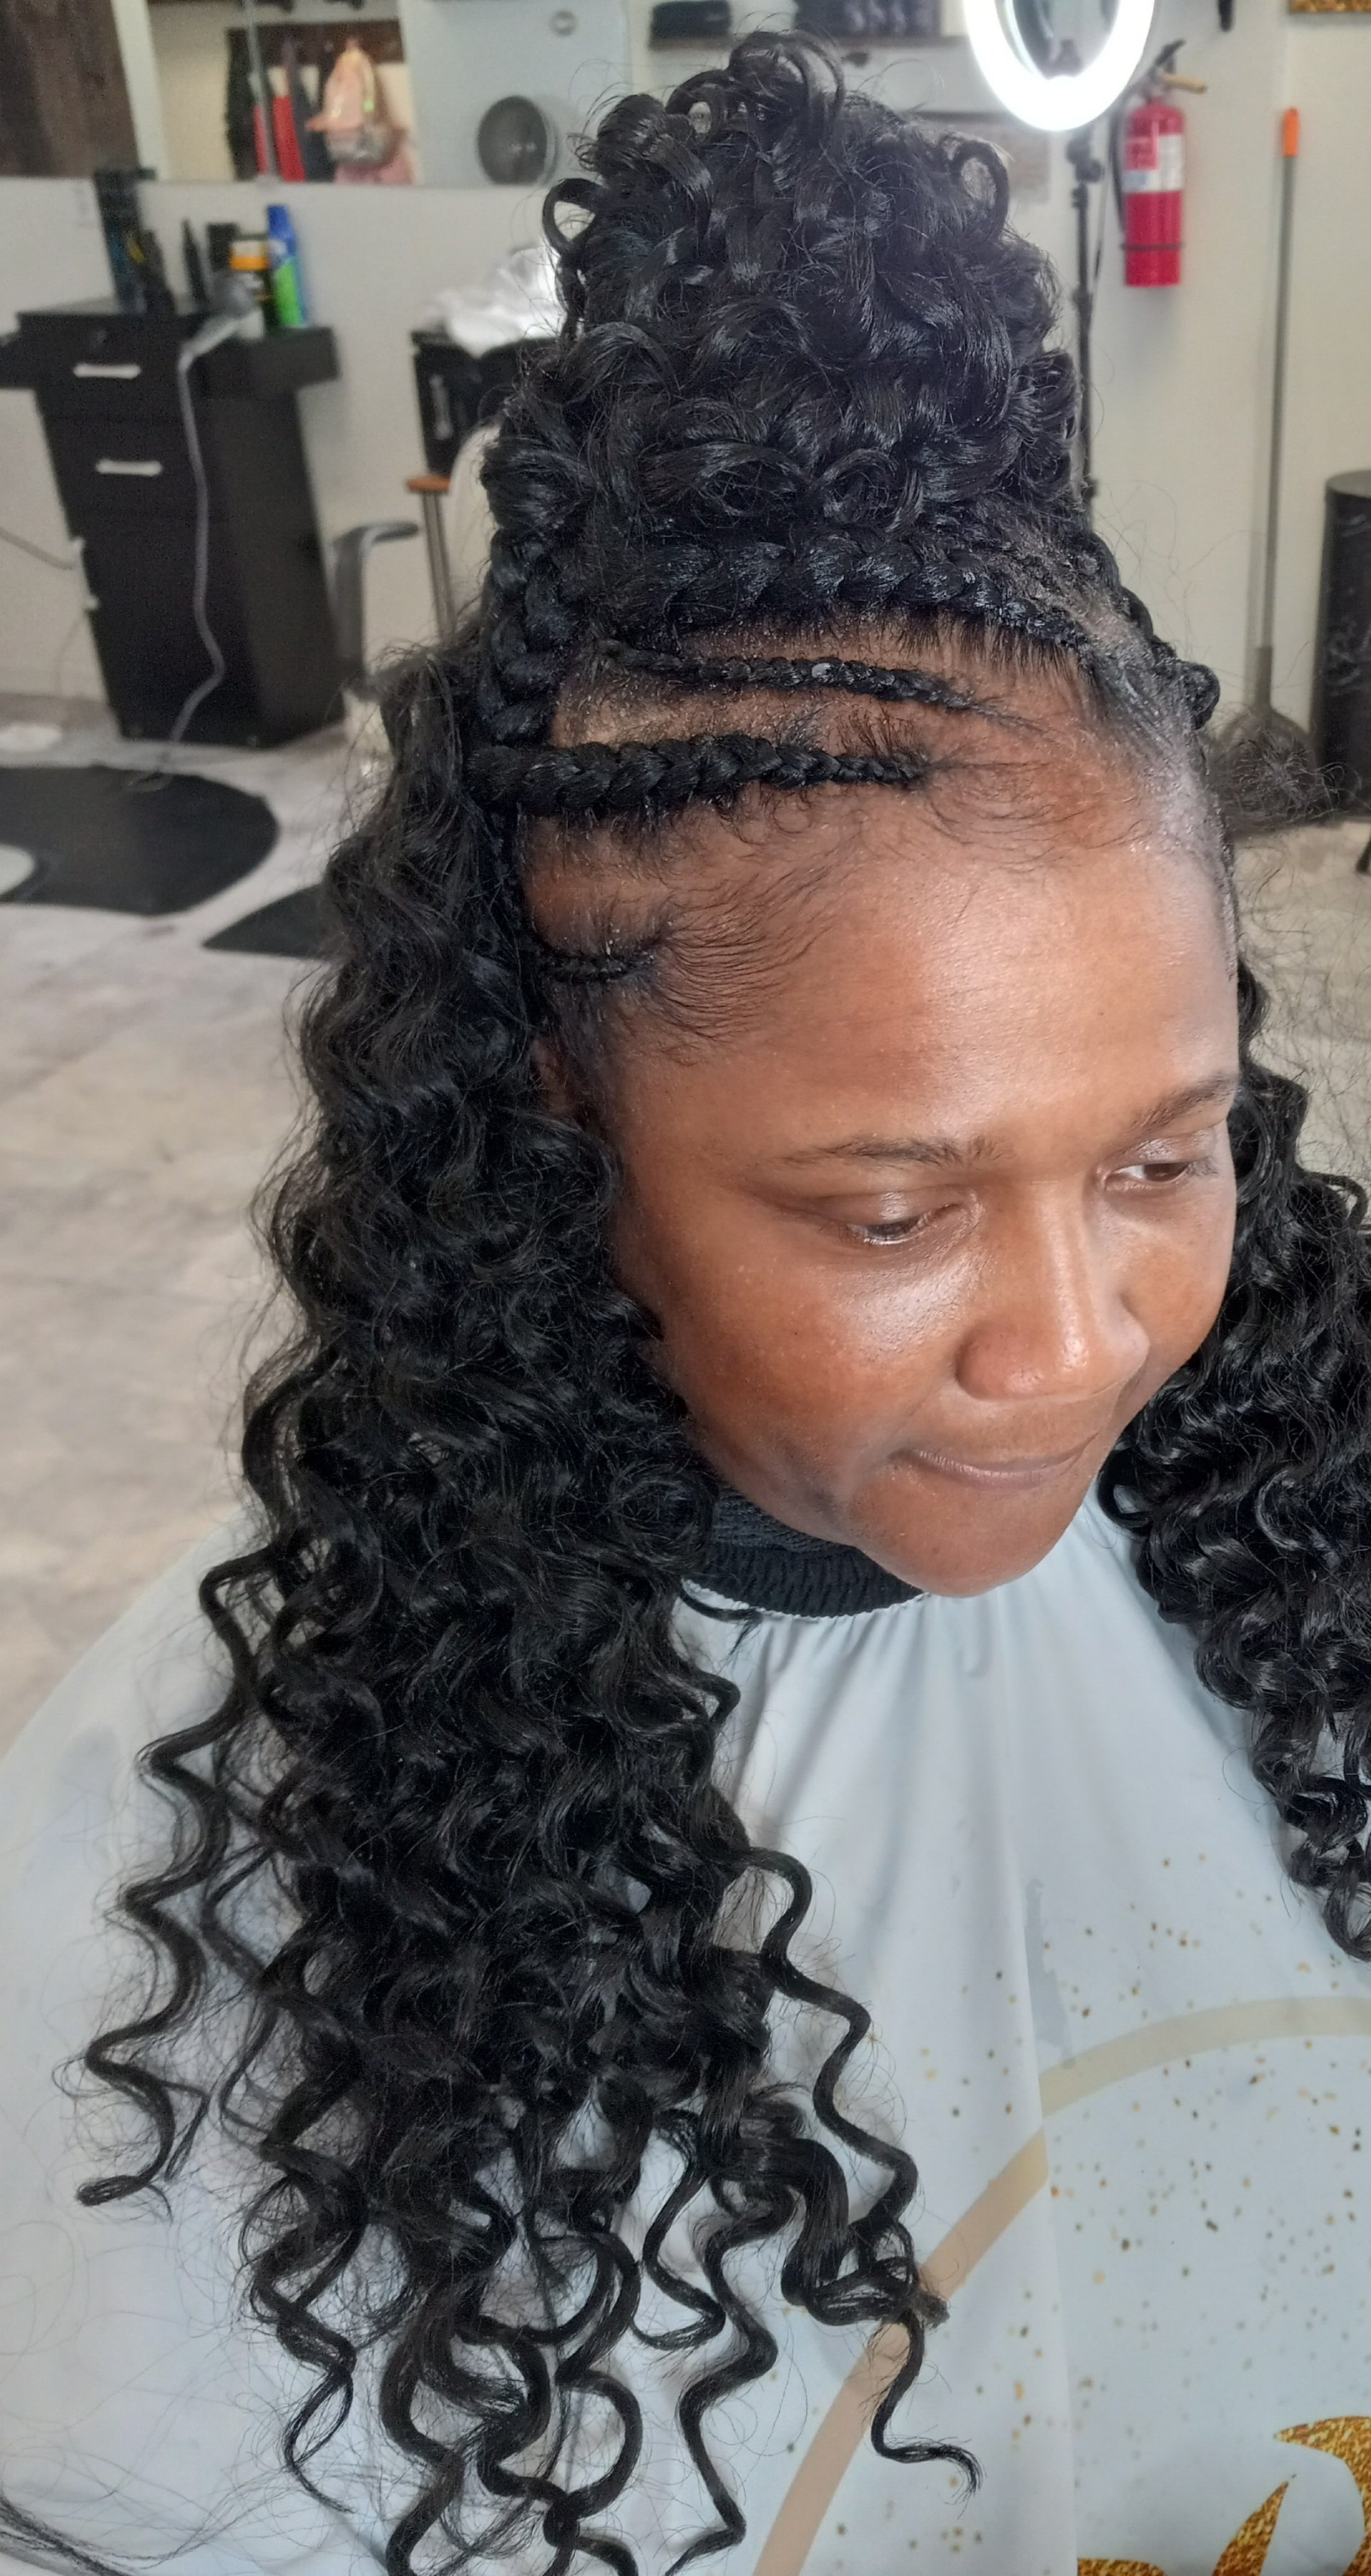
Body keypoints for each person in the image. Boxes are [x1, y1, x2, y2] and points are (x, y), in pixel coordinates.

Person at [3, 36, 1370, 2576]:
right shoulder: (208, 1866)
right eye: (895, 1215)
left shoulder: (1322, 1528)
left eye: (1164, 1156)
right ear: (562, 1121)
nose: (1078, 1341)